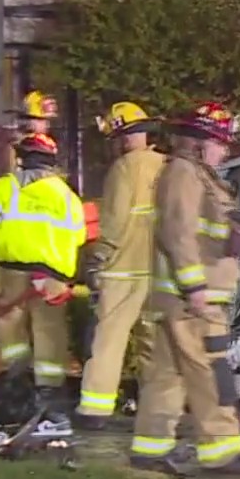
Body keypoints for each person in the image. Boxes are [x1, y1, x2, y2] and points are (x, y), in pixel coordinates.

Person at [130, 101, 240, 475]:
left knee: (166, 375)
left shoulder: (198, 176)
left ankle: (150, 446)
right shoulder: (184, 174)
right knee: (211, 373)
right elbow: (177, 231)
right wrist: (196, 287)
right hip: (193, 300)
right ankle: (222, 450)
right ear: (199, 141)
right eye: (219, 142)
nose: (225, 150)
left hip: (180, 298)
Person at [0, 133, 87, 437]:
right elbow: (77, 236)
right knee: (50, 333)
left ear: (22, 157)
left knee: (10, 327)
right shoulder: (66, 195)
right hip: (52, 277)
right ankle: (49, 396)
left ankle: (16, 381)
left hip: (10, 270)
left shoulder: (7, 185)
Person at [76, 101, 165, 427]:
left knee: (109, 340)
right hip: (156, 270)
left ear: (123, 137)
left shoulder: (124, 169)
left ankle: (95, 410)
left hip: (121, 270)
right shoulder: (167, 165)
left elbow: (113, 220)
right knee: (152, 344)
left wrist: (97, 258)